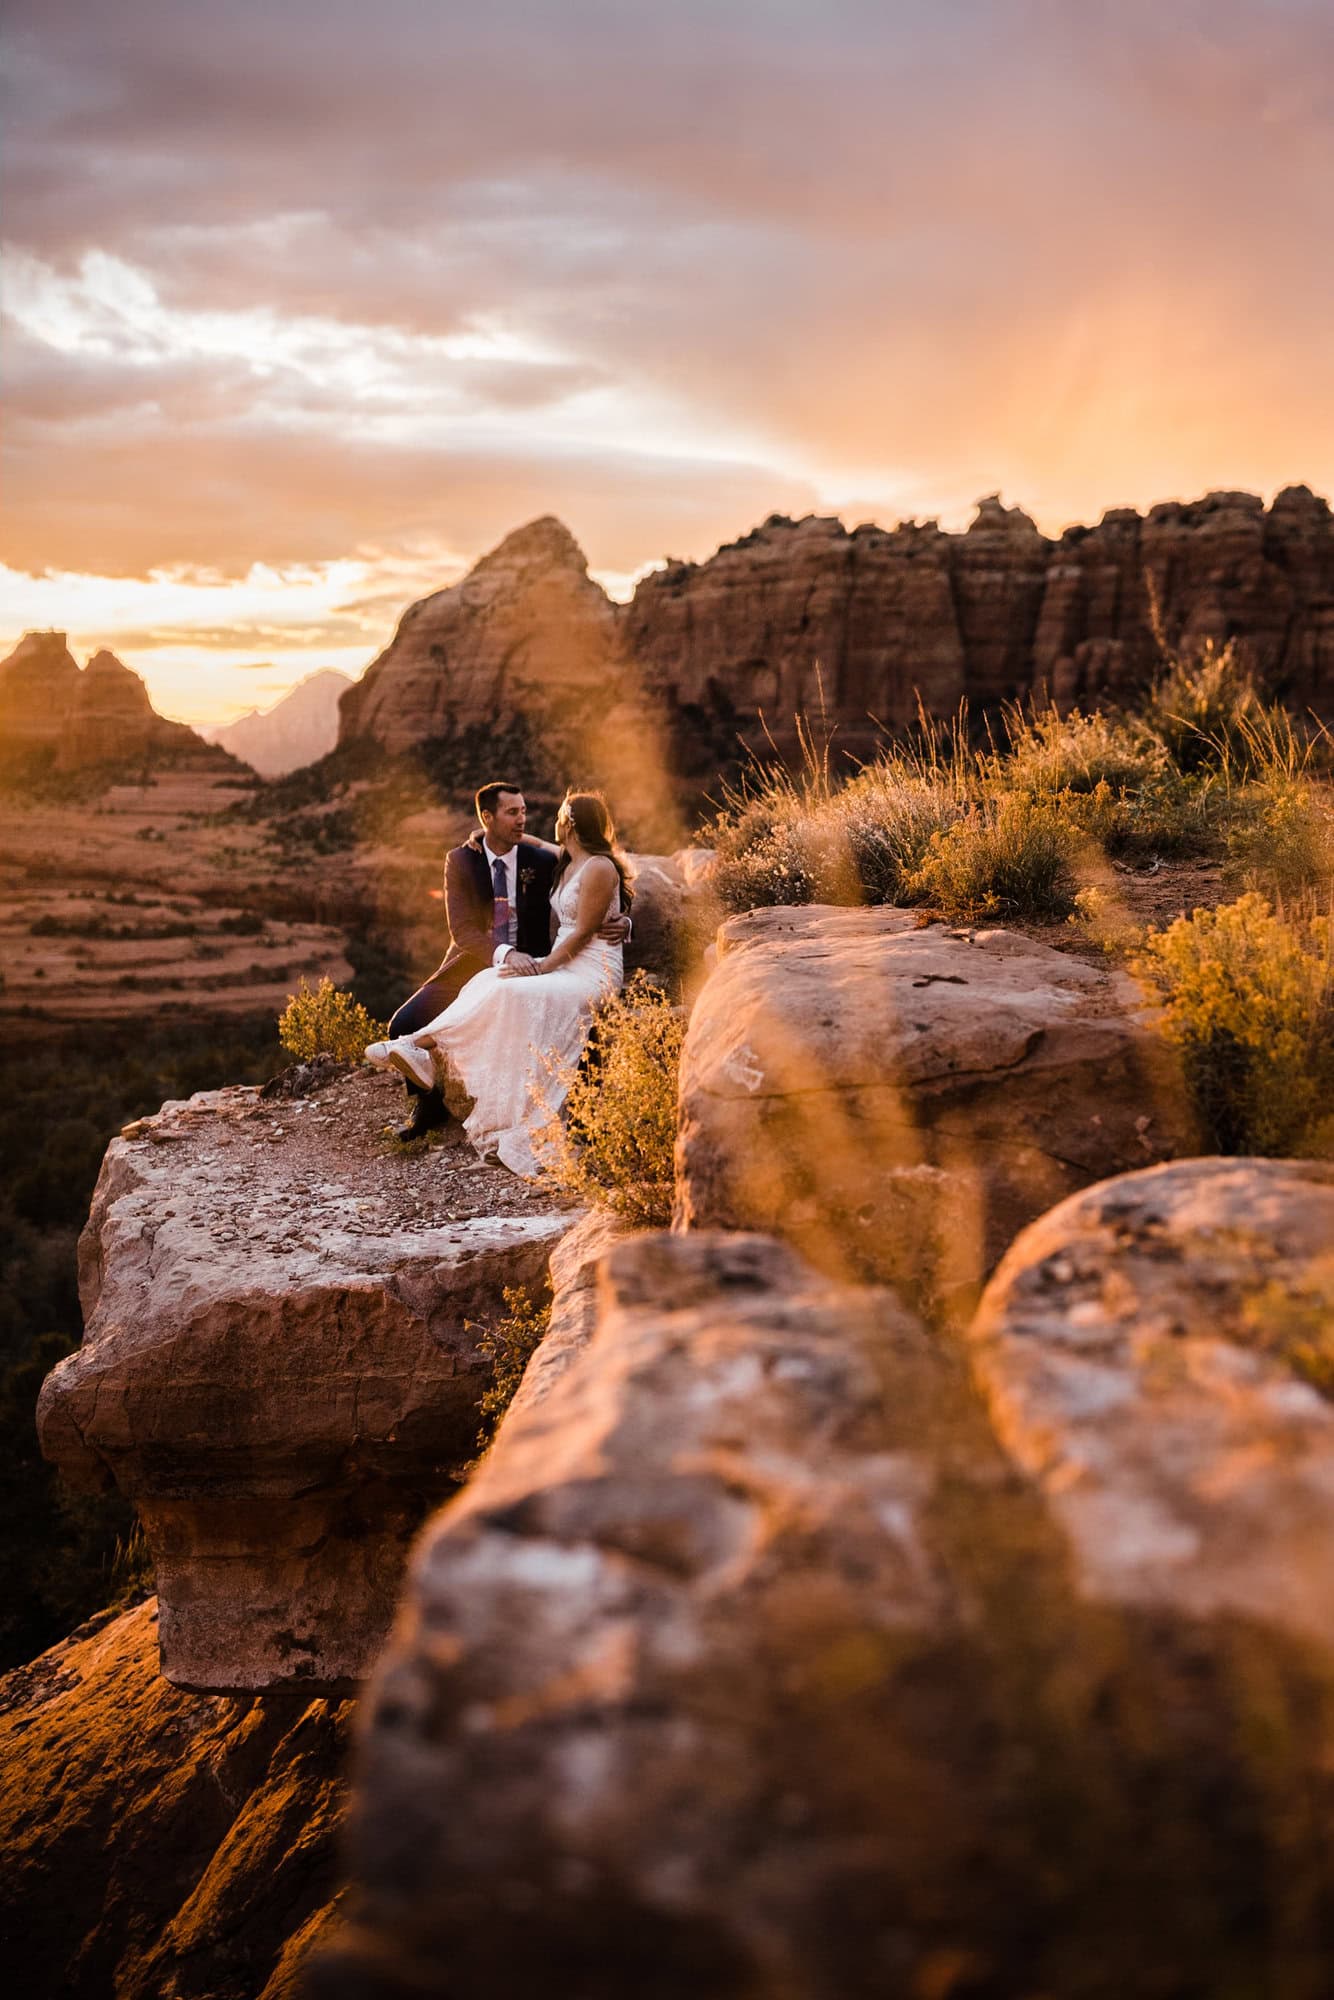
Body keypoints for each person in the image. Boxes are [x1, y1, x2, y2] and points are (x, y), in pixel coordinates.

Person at [366, 791, 631, 1175]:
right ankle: (420, 1077)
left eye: (529, 812)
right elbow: (464, 928)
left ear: (570, 822)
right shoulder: (483, 860)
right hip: (495, 960)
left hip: (579, 967)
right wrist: (486, 833)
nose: (526, 818)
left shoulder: (573, 864)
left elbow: (597, 911)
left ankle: (418, 1048)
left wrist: (622, 923)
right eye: (514, 812)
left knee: (502, 987)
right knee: (473, 986)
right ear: (491, 817)